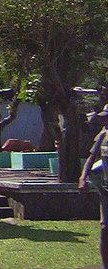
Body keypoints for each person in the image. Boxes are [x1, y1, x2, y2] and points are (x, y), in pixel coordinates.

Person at [79, 108, 108, 269]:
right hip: (106, 190)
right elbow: (91, 158)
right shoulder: (103, 136)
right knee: (105, 228)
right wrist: (83, 178)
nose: (105, 122)